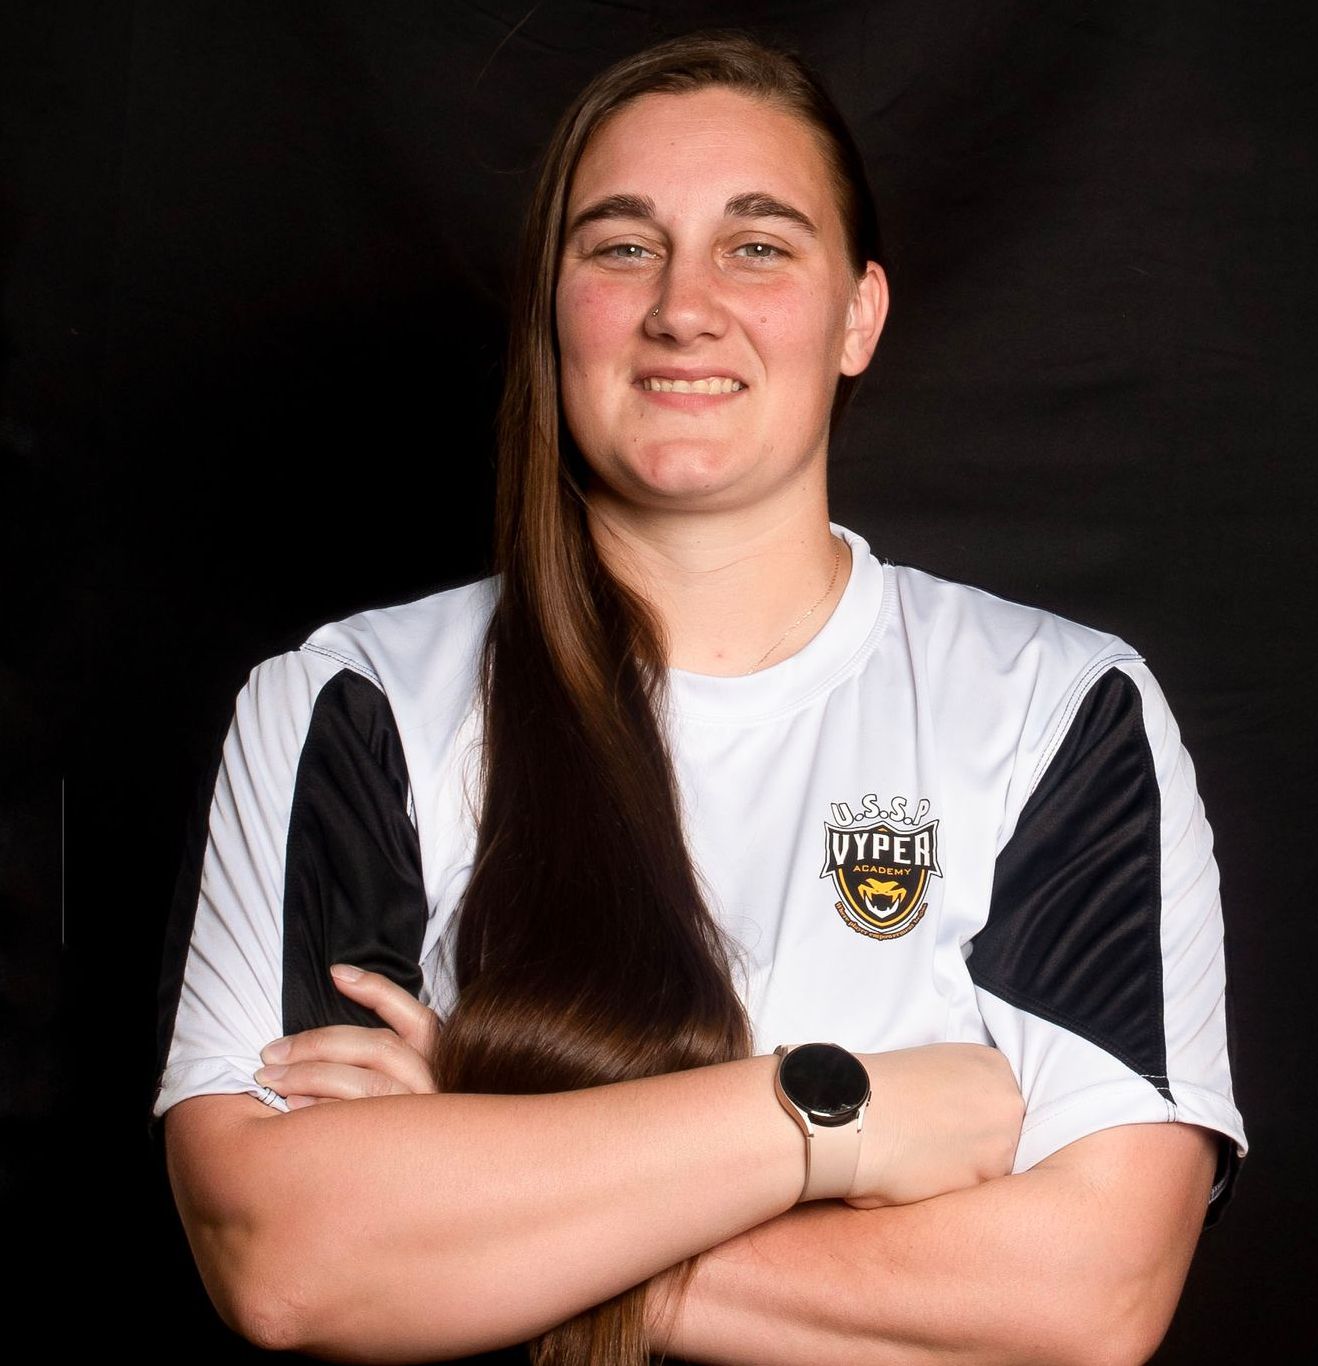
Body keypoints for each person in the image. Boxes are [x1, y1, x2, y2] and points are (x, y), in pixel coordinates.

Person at [150, 29, 1247, 1366]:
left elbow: (1094, 1294)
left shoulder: (1056, 709)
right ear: (551, 305)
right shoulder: (354, 704)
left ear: (859, 316)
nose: (683, 306)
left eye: (758, 245)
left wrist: (485, 1155)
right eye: (622, 246)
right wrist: (841, 1119)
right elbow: (284, 1258)